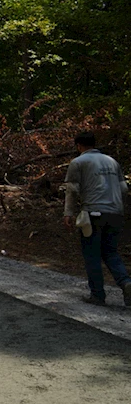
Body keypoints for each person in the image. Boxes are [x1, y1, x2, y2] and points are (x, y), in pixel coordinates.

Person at [63, 131, 131, 307]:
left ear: (78, 146)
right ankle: (126, 282)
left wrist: (68, 213)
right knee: (110, 251)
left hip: (93, 213)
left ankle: (98, 294)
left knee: (92, 254)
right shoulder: (112, 161)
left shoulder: (78, 162)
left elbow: (72, 190)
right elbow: (123, 189)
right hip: (115, 212)